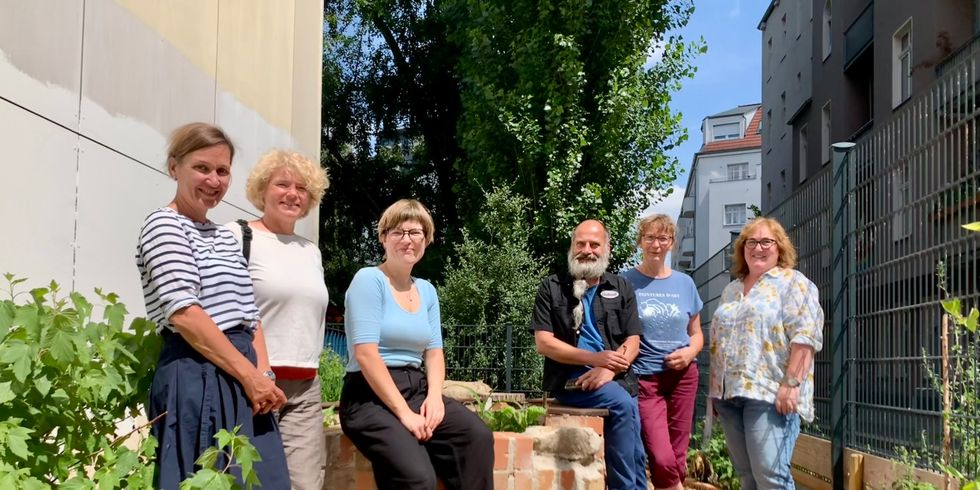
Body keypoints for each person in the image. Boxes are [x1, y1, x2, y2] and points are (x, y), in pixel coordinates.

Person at [136, 122, 289, 489]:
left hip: (242, 373)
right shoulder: (164, 225)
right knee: (207, 478)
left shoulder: (225, 236)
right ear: (175, 167)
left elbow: (250, 316)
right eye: (201, 168)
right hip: (197, 369)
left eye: (222, 171)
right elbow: (185, 314)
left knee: (266, 481)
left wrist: (264, 377)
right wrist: (251, 377)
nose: (213, 180)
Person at [339, 199, 494, 490]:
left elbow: (434, 354)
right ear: (384, 238)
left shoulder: (427, 290)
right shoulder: (369, 280)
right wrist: (405, 414)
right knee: (418, 477)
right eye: (398, 232)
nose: (407, 240)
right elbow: (366, 355)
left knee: (476, 437)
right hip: (369, 396)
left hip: (417, 389)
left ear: (426, 239)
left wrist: (434, 398)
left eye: (415, 233)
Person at [227, 149, 330, 490]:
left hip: (305, 387)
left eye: (301, 188)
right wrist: (254, 374)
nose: (292, 194)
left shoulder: (310, 250)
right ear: (263, 188)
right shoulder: (237, 236)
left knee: (305, 484)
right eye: (283, 184)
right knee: (249, 482)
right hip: (253, 384)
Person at [531, 219, 647, 490]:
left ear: (607, 248)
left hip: (617, 377)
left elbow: (633, 340)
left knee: (636, 448)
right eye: (580, 243)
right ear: (572, 246)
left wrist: (609, 369)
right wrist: (595, 360)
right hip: (572, 380)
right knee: (623, 405)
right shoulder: (551, 287)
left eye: (594, 244)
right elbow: (544, 343)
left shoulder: (621, 286)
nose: (587, 250)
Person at [709, 217, 824, 490]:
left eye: (766, 242)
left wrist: (791, 384)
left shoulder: (793, 283)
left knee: (770, 477)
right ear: (742, 248)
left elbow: (806, 337)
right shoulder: (731, 290)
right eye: (751, 242)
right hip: (729, 395)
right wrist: (715, 391)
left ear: (779, 247)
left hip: (770, 394)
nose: (758, 248)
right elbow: (719, 341)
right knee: (746, 477)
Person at [622, 214, 703, 490]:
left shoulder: (685, 283)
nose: (656, 244)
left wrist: (689, 353)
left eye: (663, 238)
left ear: (672, 243)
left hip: (684, 376)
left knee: (678, 454)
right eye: (650, 237)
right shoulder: (626, 281)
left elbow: (697, 334)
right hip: (646, 377)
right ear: (640, 241)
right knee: (660, 454)